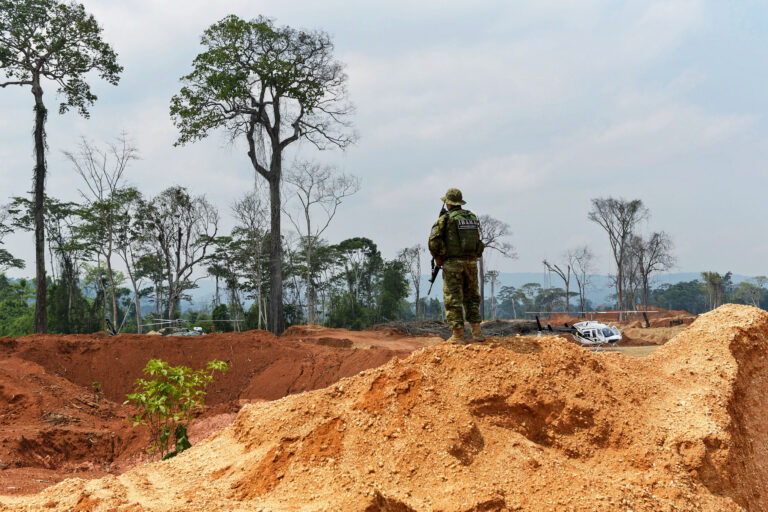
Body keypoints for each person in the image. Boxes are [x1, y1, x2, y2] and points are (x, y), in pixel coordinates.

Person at [428, 188, 485, 344]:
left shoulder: (445, 219)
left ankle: (458, 336)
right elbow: (478, 240)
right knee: (472, 298)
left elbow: (433, 242)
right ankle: (477, 334)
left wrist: (439, 258)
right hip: (471, 264)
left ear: (448, 203)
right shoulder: (471, 217)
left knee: (453, 299)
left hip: (453, 264)